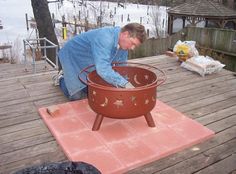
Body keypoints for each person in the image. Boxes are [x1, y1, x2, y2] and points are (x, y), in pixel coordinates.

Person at [55, 23, 147, 101]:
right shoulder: (105, 38)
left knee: (94, 92)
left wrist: (127, 82)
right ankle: (61, 78)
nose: (132, 48)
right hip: (72, 55)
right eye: (133, 43)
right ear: (125, 34)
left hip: (90, 59)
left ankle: (78, 83)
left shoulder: (124, 44)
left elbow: (121, 66)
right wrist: (124, 84)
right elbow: (103, 69)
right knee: (75, 97)